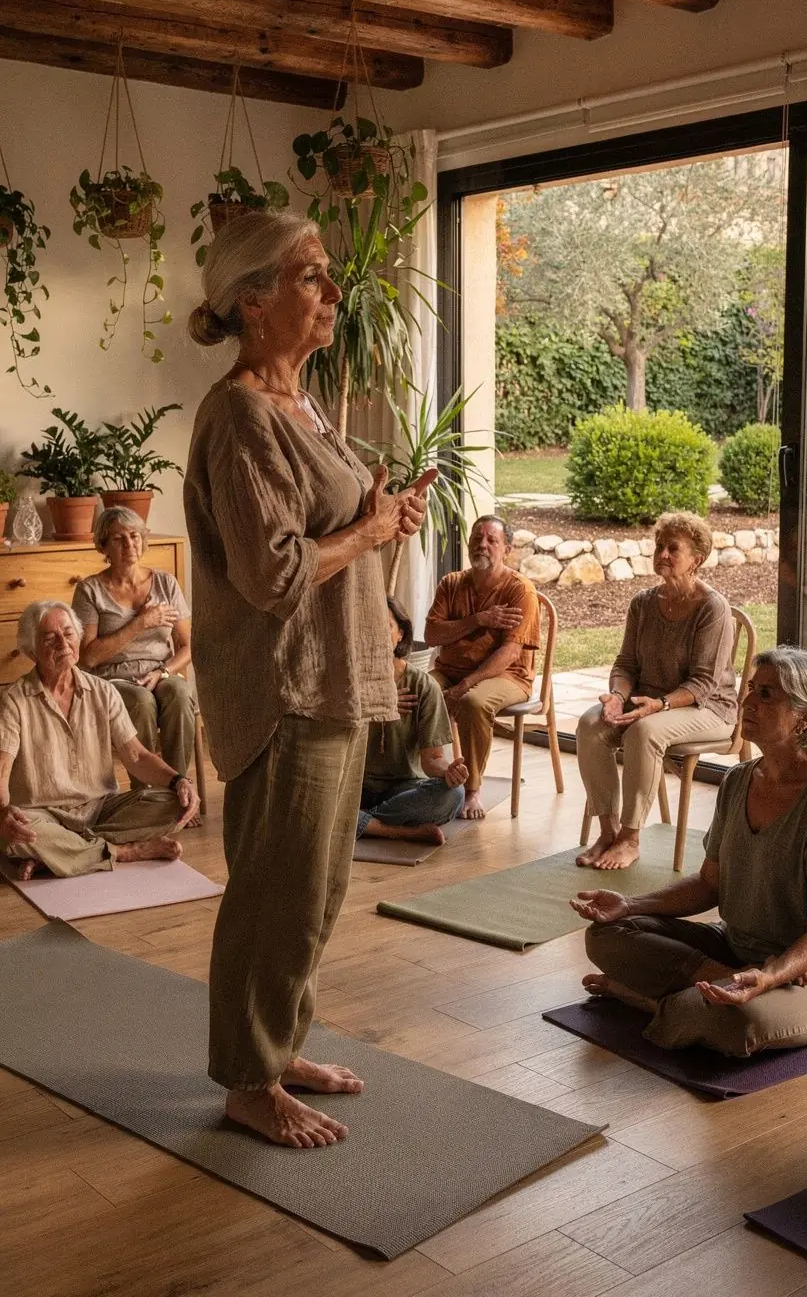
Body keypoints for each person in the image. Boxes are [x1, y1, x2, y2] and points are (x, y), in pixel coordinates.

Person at [185, 210, 434, 1150]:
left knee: (318, 889)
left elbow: (329, 532)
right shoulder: (243, 414)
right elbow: (275, 574)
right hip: (285, 687)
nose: (333, 293)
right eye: (311, 277)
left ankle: (278, 1047)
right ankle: (247, 1080)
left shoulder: (305, 404)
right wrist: (367, 535)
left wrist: (381, 517)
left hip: (335, 678)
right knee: (274, 892)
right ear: (252, 302)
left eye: (329, 275)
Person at [571, 647, 807, 1057]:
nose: (748, 702)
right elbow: (708, 885)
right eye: (751, 689)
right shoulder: (738, 781)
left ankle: (648, 1001)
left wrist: (772, 976)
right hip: (735, 949)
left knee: (742, 1022)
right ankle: (722, 984)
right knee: (606, 934)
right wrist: (629, 905)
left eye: (768, 695)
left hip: (801, 970)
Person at [576, 511, 737, 871]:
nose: (662, 554)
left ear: (697, 559)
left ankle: (631, 839)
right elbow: (625, 664)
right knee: (591, 724)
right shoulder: (643, 603)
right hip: (650, 701)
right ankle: (609, 831)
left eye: (672, 548)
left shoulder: (712, 608)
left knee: (645, 731)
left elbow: (703, 683)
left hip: (708, 709)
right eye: (659, 546)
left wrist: (659, 705)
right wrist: (617, 697)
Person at [0, 601, 200, 878]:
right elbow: (2, 769)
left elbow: (137, 756)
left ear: (79, 638)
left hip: (101, 809)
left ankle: (61, 854)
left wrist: (180, 781)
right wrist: (3, 814)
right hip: (43, 814)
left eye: (69, 634)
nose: (63, 643)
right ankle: (124, 851)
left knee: (175, 803)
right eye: (49, 638)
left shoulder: (103, 691)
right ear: (31, 652)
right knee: (17, 833)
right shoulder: (14, 700)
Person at [72, 506, 197, 804]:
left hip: (160, 671)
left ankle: (177, 792)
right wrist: (140, 623)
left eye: (134, 536)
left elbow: (189, 645)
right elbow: (88, 657)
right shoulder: (89, 590)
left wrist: (163, 673)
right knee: (140, 702)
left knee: (179, 694)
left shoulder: (166, 583)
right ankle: (143, 797)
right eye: (118, 538)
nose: (130, 544)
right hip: (111, 678)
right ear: (103, 545)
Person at [424, 515, 540, 819]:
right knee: (418, 690)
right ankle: (425, 773)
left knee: (473, 702)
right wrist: (479, 619)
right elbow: (431, 634)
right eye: (477, 537)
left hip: (507, 676)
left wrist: (464, 686)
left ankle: (473, 789)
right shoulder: (451, 583)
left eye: (492, 540)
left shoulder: (520, 590)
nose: (482, 545)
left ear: (508, 548)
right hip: (449, 670)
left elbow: (510, 652)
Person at [357, 596, 468, 845]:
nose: (374, 633)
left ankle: (359, 823)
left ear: (400, 634)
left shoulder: (424, 686)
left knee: (453, 796)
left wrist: (449, 772)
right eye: (367, 626)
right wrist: (375, 704)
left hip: (404, 788)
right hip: (354, 786)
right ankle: (401, 831)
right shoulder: (349, 682)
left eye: (384, 626)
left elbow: (432, 760)